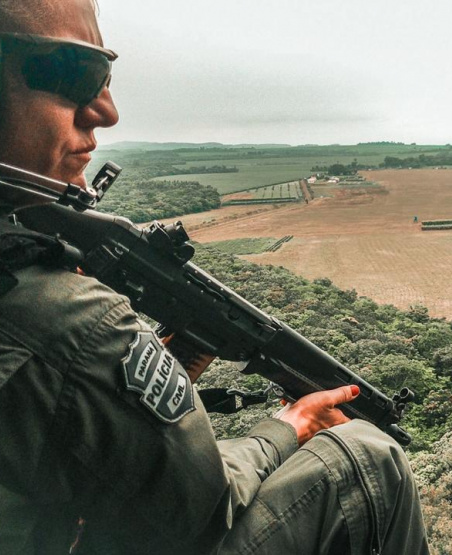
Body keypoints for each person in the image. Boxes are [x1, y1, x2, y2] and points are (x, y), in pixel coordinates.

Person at [0, 0, 429, 553]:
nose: (105, 110)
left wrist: (153, 373)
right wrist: (291, 425)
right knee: (373, 462)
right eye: (77, 73)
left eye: (106, 77)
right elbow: (204, 513)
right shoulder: (66, 314)